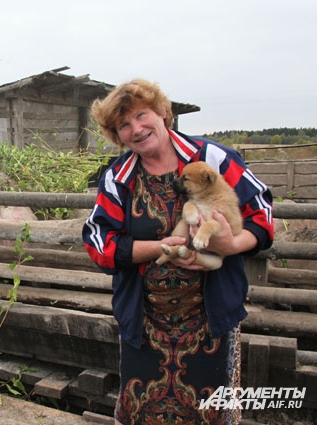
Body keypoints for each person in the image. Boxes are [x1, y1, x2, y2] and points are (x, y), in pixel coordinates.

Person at [82, 79, 274, 424]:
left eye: (142, 115)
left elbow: (262, 213)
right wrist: (156, 247)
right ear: (117, 135)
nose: (136, 129)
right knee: (144, 409)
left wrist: (231, 245)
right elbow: (98, 242)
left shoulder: (212, 159)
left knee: (209, 412)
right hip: (146, 323)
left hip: (209, 320)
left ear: (163, 113)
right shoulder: (118, 177)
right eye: (124, 124)